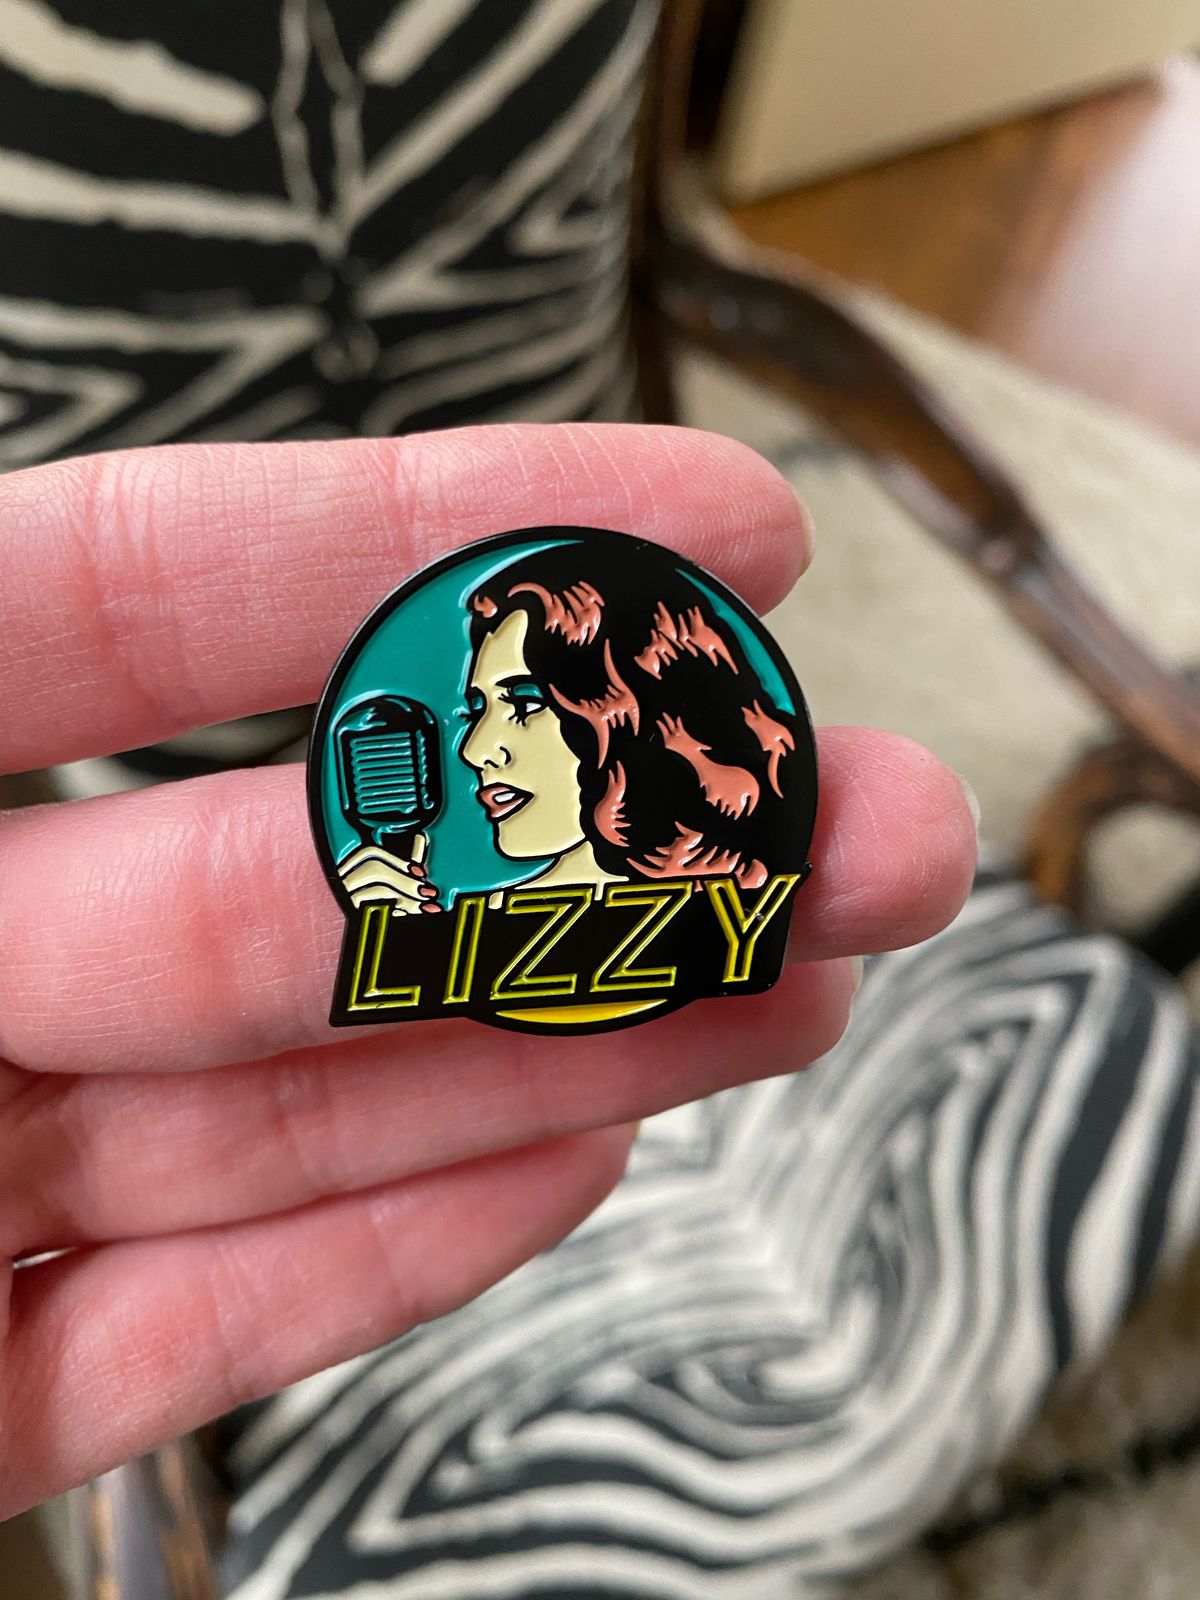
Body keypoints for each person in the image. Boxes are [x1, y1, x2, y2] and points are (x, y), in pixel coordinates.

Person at [0, 422, 978, 1520]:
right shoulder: (437, 923)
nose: (474, 753)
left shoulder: (700, 913)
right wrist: (404, 931)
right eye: (472, 711)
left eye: (516, 707)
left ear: (625, 715)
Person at [338, 538, 808, 912]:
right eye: (477, 710)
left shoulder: (729, 909)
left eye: (525, 704)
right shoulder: (459, 934)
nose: (475, 750)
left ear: (642, 714)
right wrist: (399, 941)